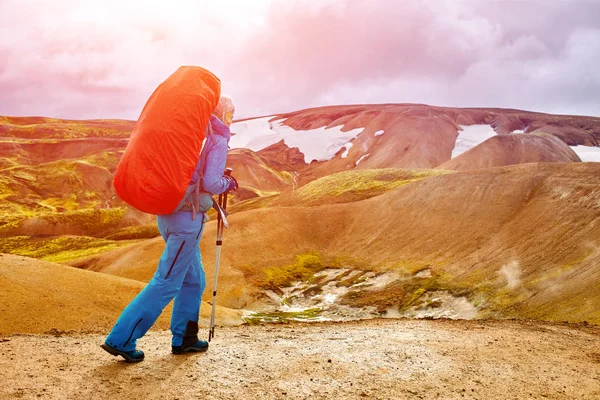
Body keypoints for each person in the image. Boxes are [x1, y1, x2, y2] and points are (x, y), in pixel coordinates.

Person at [101, 95, 238, 363]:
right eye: (230, 113)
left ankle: (185, 339)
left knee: (194, 279)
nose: (230, 118)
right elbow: (210, 182)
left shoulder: (190, 135)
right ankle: (121, 339)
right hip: (187, 219)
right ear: (223, 114)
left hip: (168, 214)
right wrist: (227, 183)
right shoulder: (216, 140)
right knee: (166, 281)